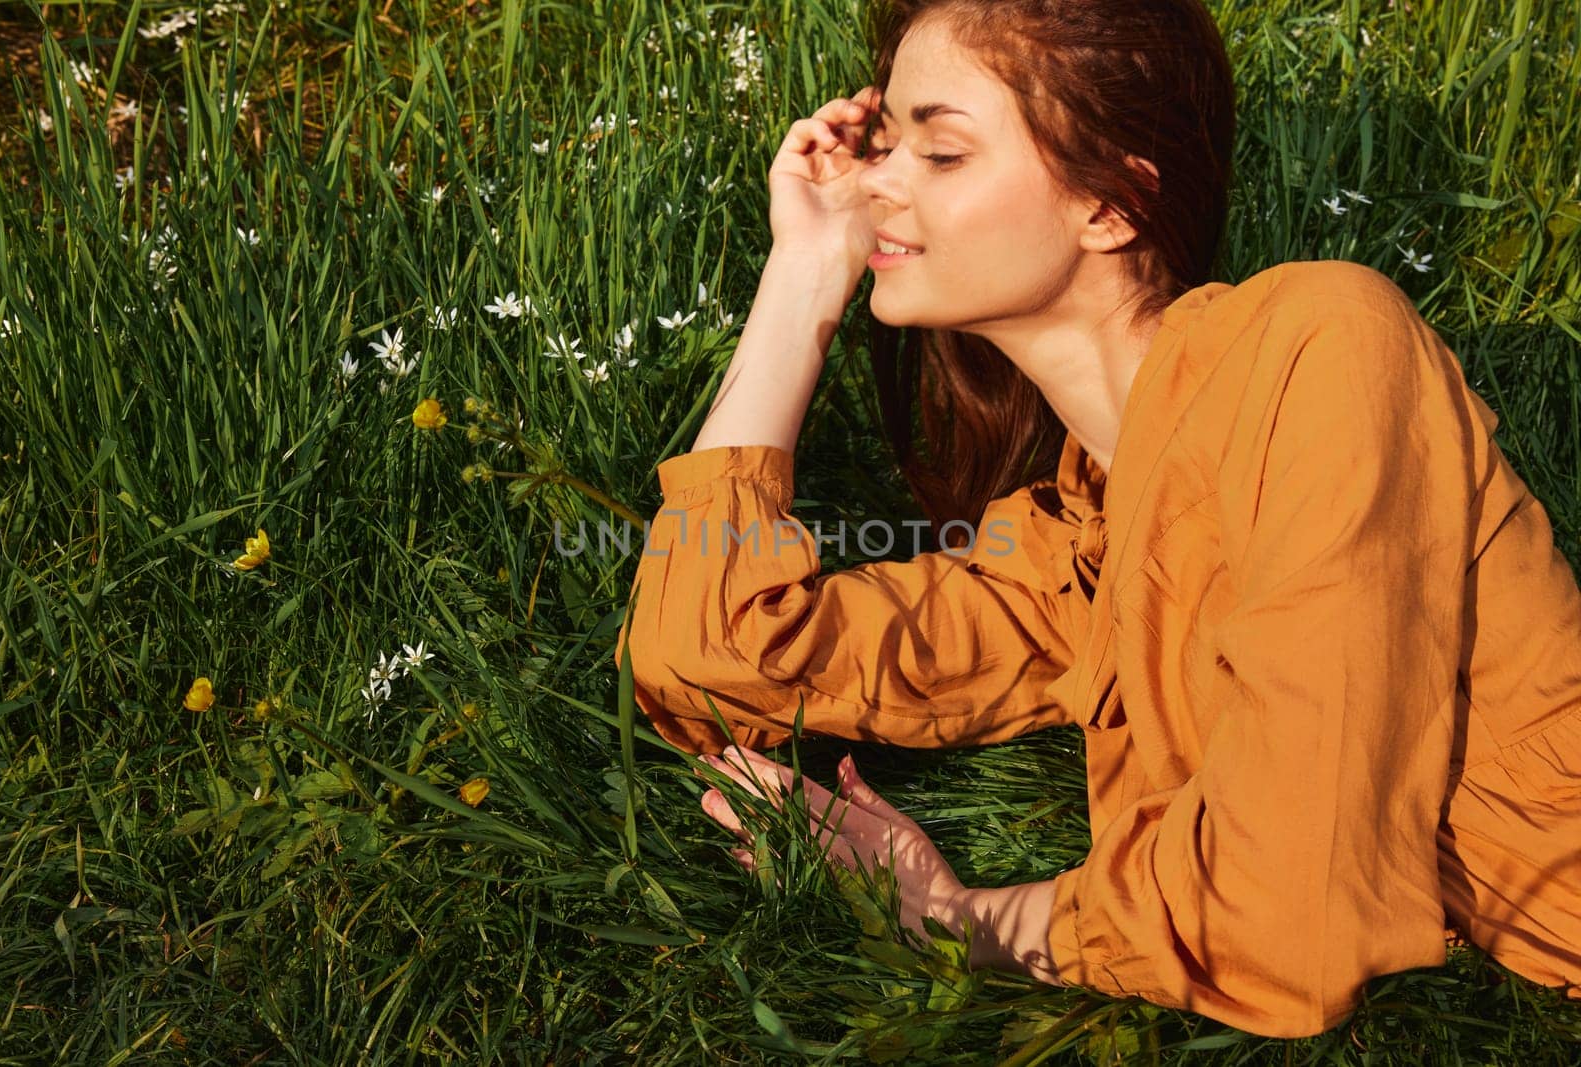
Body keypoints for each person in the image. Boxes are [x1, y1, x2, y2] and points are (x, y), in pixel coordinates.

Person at [612, 0, 1581, 1039]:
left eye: (939, 151)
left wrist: (956, 918)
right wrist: (801, 275)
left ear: (1112, 204)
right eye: (885, 140)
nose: (872, 181)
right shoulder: (1077, 551)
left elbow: (1289, 908)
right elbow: (706, 657)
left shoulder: (1321, 349)